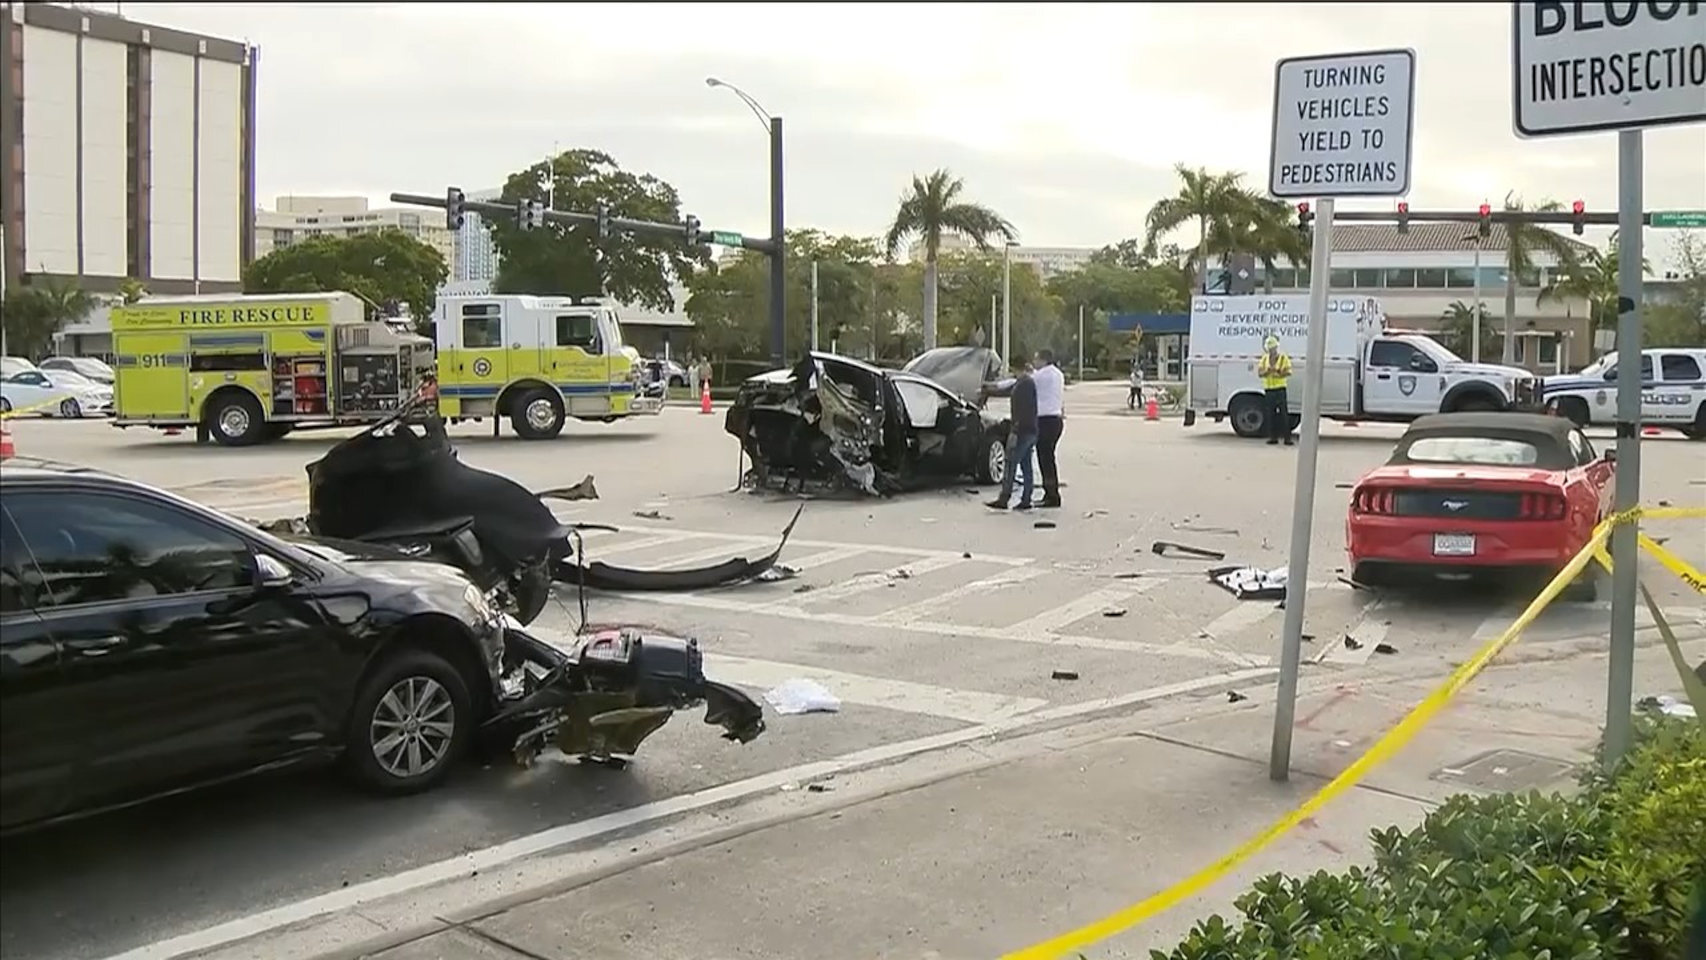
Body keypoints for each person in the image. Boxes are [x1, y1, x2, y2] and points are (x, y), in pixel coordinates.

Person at [986, 363, 1038, 511]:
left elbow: (1021, 409)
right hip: (1031, 430)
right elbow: (1006, 390)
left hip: (1021, 431)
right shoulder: (1025, 383)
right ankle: (1026, 499)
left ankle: (1004, 498)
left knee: (1010, 464)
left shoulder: (1023, 384)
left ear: (1016, 368)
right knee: (1026, 465)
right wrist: (988, 390)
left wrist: (1015, 429)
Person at [1032, 348, 1065, 508]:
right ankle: (1051, 493)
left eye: (1036, 359)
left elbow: (1022, 382)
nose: (1034, 362)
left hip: (1045, 421)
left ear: (1043, 360)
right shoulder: (1058, 374)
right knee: (1049, 458)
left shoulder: (1041, 375)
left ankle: (1051, 495)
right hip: (1056, 420)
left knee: (1045, 459)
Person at [1256, 335, 1294, 446]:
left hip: (1280, 389)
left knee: (1283, 415)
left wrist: (1278, 372)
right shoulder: (1264, 359)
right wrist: (1267, 371)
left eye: (1272, 348)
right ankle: (1273, 437)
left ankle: (1287, 438)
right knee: (1270, 414)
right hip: (1269, 389)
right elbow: (1260, 373)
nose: (1271, 350)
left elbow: (1289, 372)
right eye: (1270, 348)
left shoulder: (1283, 358)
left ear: (1276, 347)